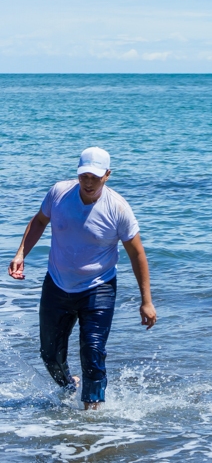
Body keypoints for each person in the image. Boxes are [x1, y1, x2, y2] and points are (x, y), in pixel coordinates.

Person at [7, 147, 157, 410]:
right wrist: (21, 253)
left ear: (107, 175)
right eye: (84, 175)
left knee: (93, 351)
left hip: (98, 287)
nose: (88, 182)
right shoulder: (59, 193)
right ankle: (69, 386)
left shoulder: (118, 208)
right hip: (57, 283)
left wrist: (146, 301)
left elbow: (137, 254)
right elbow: (40, 221)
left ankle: (92, 416)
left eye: (95, 177)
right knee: (50, 355)